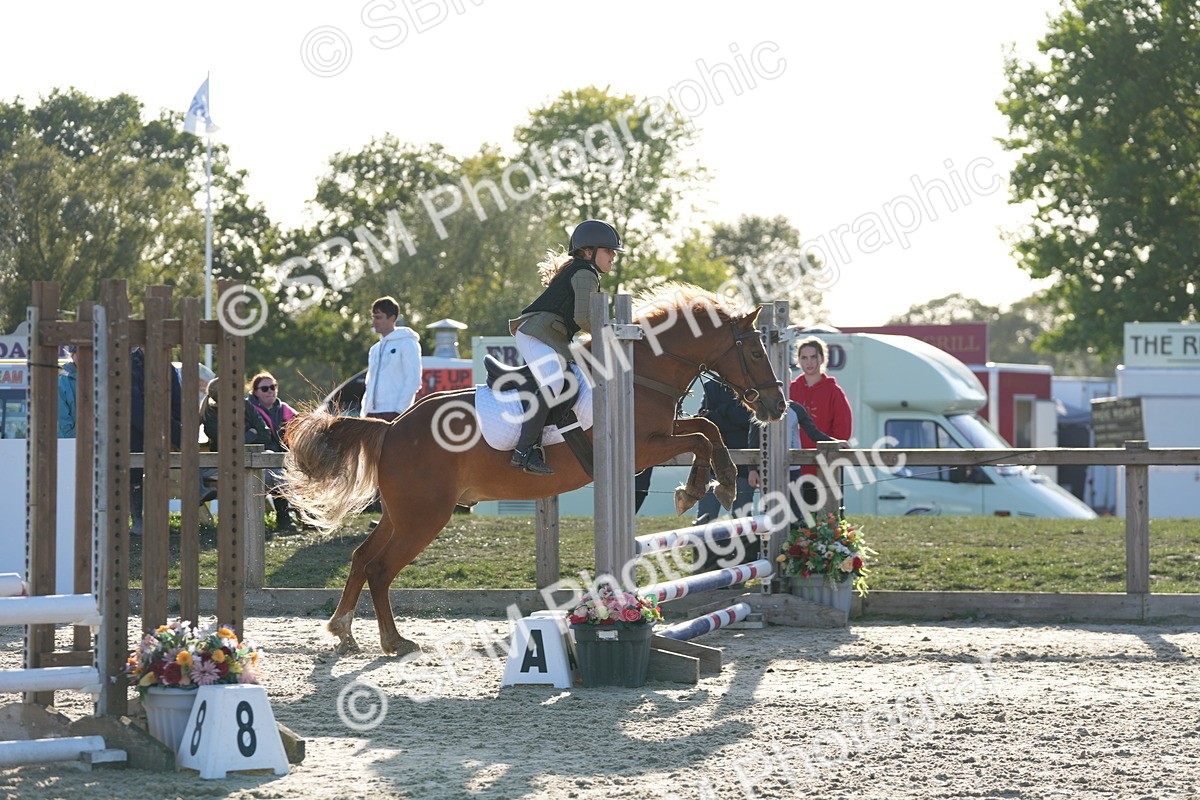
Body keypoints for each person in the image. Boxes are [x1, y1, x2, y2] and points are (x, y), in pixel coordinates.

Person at [506, 219, 623, 475]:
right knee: (555, 382)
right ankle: (522, 451)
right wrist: (613, 335)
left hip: (551, 336)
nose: (613, 256)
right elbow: (584, 318)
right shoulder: (585, 273)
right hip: (537, 333)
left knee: (571, 381)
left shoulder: (585, 271)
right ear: (589, 252)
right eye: (608, 250)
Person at [788, 336, 853, 511]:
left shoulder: (834, 391)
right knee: (796, 521)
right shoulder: (790, 390)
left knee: (825, 519)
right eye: (804, 357)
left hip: (824, 467)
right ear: (798, 360)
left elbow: (843, 431)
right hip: (793, 468)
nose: (809, 362)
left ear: (822, 359)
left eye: (813, 357)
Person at [130, 347, 183, 536]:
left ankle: (158, 516)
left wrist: (175, 428)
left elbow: (177, 401)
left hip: (163, 423)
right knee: (135, 471)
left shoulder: (167, 368)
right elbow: (133, 404)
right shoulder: (130, 364)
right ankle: (138, 519)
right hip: (134, 427)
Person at [695, 380, 758, 524]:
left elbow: (748, 419)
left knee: (743, 519)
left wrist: (720, 412)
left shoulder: (749, 387)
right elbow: (704, 418)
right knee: (705, 518)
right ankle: (704, 547)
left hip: (744, 463)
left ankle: (743, 546)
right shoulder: (711, 386)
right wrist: (732, 418)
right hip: (715, 462)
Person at [198, 377, 268, 506]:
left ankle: (286, 518)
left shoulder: (245, 406)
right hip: (225, 464)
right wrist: (251, 434)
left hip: (252, 458)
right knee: (266, 477)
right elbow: (226, 445)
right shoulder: (211, 416)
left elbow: (265, 434)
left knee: (277, 473)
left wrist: (241, 438)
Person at [247, 372, 299, 533]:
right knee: (278, 474)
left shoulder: (284, 409)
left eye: (273, 387)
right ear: (255, 392)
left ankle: (304, 516)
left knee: (291, 472)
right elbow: (251, 437)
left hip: (285, 457)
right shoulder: (248, 409)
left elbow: (300, 428)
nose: (270, 391)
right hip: (258, 458)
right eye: (264, 388)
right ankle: (285, 519)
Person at [362, 296, 422, 422]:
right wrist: (365, 411)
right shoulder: (374, 349)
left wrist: (400, 410)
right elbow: (369, 382)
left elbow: (413, 379)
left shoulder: (408, 343)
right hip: (371, 414)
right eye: (373, 317)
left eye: (378, 317)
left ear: (392, 318)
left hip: (395, 414)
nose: (374, 322)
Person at [57, 346, 77, 438]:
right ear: (72, 356)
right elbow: (62, 419)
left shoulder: (101, 379)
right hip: (71, 442)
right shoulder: (62, 381)